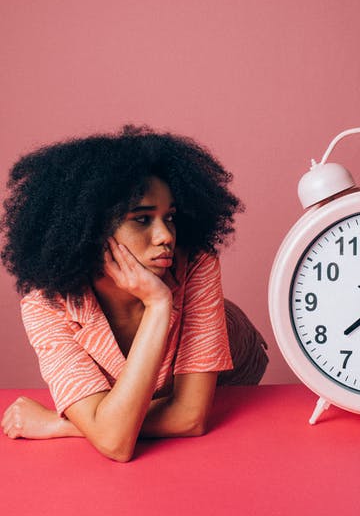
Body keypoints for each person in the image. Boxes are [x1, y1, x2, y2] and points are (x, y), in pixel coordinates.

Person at [0, 126, 268, 461]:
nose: (165, 236)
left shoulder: (196, 263)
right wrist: (103, 425)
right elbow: (116, 443)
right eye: (142, 219)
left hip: (231, 382)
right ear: (86, 230)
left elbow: (189, 417)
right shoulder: (46, 306)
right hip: (134, 401)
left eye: (169, 217)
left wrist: (60, 424)